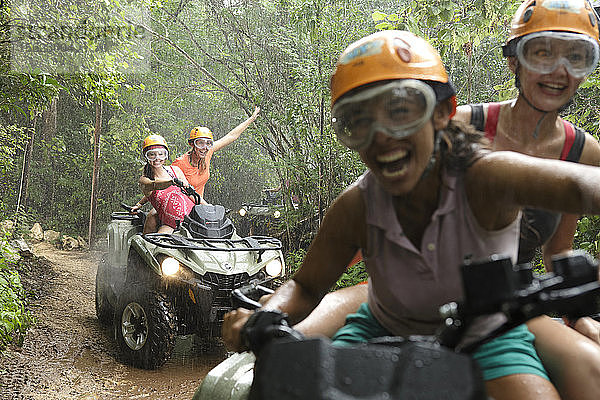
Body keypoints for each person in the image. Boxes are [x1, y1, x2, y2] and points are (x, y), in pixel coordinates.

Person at [223, 29, 600, 399]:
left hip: (489, 336)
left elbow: (578, 186)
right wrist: (266, 314)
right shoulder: (356, 205)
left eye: (400, 112)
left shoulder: (486, 177)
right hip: (378, 329)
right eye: (358, 122)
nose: (381, 135)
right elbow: (306, 286)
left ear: (442, 114)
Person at [132, 107, 261, 232]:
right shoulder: (179, 164)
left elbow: (231, 136)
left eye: (208, 144)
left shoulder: (207, 153)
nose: (204, 147)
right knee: (152, 217)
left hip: (197, 205)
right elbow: (161, 185)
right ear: (192, 144)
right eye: (200, 143)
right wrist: (140, 203)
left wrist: (251, 119)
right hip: (174, 204)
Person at [137, 134, 196, 234]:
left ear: (166, 156)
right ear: (146, 156)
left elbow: (191, 194)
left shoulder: (175, 170)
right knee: (159, 245)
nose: (157, 158)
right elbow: (155, 184)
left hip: (192, 218)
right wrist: (171, 182)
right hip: (170, 225)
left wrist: (209, 208)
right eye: (152, 154)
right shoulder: (144, 180)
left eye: (161, 154)